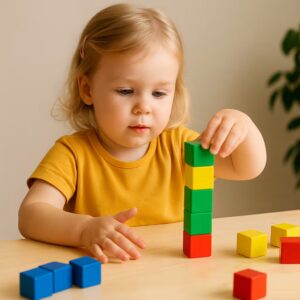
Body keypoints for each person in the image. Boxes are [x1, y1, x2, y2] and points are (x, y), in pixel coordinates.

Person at [18, 3, 267, 264]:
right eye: (126, 91)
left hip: (171, 278)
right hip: (101, 280)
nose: (144, 108)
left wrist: (244, 125)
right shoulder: (73, 154)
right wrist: (83, 230)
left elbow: (248, 168)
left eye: (159, 93)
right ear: (88, 89)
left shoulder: (180, 146)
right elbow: (31, 214)